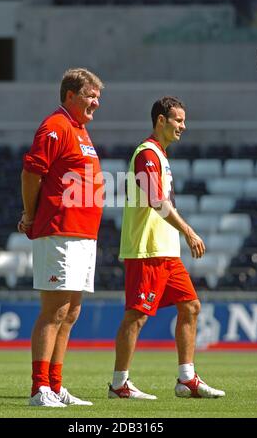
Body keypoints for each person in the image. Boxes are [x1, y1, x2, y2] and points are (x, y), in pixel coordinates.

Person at [109, 96, 225, 400]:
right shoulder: (147, 154)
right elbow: (155, 200)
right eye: (178, 120)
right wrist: (188, 230)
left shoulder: (160, 155)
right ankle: (119, 384)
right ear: (161, 120)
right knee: (137, 316)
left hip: (165, 251)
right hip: (146, 250)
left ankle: (186, 379)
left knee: (191, 306)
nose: (183, 126)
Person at [18, 68, 104, 407]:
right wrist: (29, 215)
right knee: (54, 311)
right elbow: (31, 172)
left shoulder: (79, 129)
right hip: (59, 230)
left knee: (71, 313)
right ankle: (40, 388)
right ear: (71, 95)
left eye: (98, 97)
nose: (96, 102)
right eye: (91, 95)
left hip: (83, 233)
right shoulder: (55, 126)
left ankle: (55, 385)